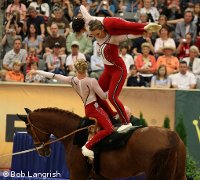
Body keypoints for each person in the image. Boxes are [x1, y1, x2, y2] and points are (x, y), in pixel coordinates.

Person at [76, 5, 161, 131]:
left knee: (112, 97)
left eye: (98, 33)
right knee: (96, 95)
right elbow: (84, 12)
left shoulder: (114, 37)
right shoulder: (95, 33)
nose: (96, 36)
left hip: (118, 70)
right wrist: (79, 14)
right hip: (107, 70)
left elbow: (131, 35)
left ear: (103, 29)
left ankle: (127, 123)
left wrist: (144, 30)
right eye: (93, 35)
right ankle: (112, 115)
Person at [29, 59, 114, 159]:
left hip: (88, 109)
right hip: (94, 109)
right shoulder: (92, 81)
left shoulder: (72, 80)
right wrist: (111, 90)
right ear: (86, 69)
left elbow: (54, 75)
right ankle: (88, 146)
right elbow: (103, 97)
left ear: (76, 70)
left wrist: (37, 71)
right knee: (109, 129)